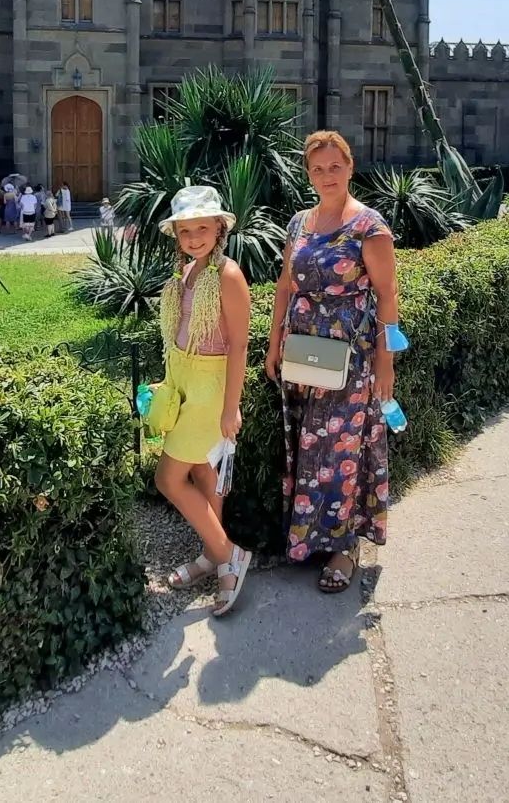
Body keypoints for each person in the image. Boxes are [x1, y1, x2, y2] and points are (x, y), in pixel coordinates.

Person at [265, 130, 400, 594]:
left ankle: (344, 547)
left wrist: (386, 363)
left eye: (335, 167)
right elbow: (285, 286)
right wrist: (274, 344)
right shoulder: (299, 223)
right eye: (318, 169)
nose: (327, 176)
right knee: (309, 447)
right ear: (309, 174)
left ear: (350, 167)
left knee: (342, 450)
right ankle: (309, 539)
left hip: (351, 358)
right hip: (304, 356)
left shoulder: (369, 227)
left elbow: (388, 297)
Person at [145, 186, 254, 617]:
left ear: (219, 229)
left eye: (202, 229)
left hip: (210, 388)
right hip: (184, 378)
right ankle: (213, 556)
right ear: (176, 235)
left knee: (168, 478)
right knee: (206, 473)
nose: (193, 238)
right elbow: (182, 331)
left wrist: (230, 406)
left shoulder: (228, 275)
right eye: (185, 231)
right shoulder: (188, 273)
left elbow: (239, 345)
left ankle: (231, 554)